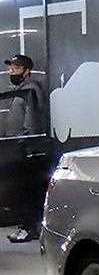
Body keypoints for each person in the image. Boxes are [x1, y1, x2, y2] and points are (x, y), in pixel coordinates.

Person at [1, 54, 46, 243]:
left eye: (16, 68)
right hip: (14, 147)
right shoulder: (18, 91)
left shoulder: (30, 90)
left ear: (27, 71)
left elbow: (32, 121)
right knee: (19, 191)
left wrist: (27, 143)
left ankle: (29, 228)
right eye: (10, 68)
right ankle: (25, 226)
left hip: (25, 149)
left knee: (26, 190)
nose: (11, 71)